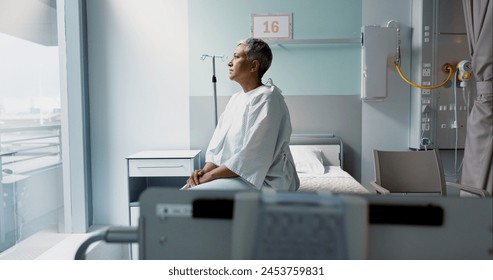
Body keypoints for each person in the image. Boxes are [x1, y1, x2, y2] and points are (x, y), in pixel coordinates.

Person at [185, 37, 299, 191]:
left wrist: (211, 176)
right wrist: (205, 171)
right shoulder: (236, 99)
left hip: (264, 180)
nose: (229, 62)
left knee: (194, 197)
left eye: (237, 57)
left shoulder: (267, 98)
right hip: (236, 174)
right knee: (188, 190)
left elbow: (253, 156)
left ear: (253, 66)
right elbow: (219, 145)